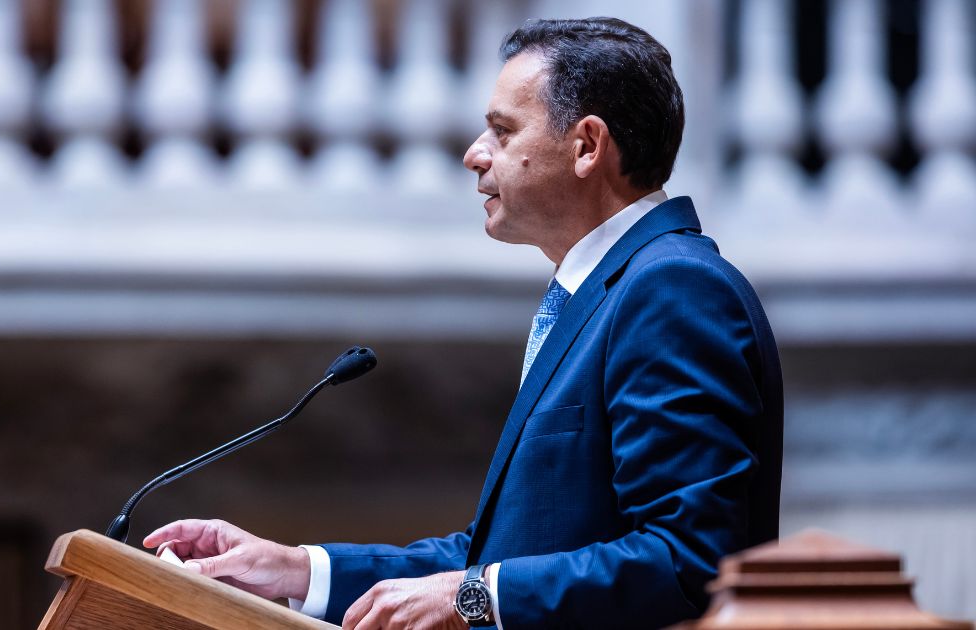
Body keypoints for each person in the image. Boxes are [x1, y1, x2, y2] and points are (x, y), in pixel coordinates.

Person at [144, 17, 783, 629]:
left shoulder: (672, 288)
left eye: (503, 131)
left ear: (587, 146)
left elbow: (689, 559)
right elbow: (499, 558)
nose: (475, 154)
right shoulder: (605, 291)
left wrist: (472, 598)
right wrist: (296, 571)